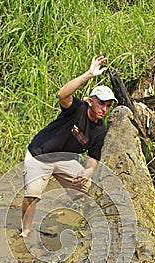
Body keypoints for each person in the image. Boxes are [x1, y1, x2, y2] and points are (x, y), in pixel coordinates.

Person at [21, 55, 117, 237]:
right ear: (91, 101)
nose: (104, 109)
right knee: (32, 195)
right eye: (101, 104)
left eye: (108, 106)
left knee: (92, 189)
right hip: (40, 154)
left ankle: (91, 229)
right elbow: (62, 94)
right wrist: (89, 74)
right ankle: (26, 230)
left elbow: (94, 157)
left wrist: (88, 171)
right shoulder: (77, 108)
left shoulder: (100, 129)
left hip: (64, 160)